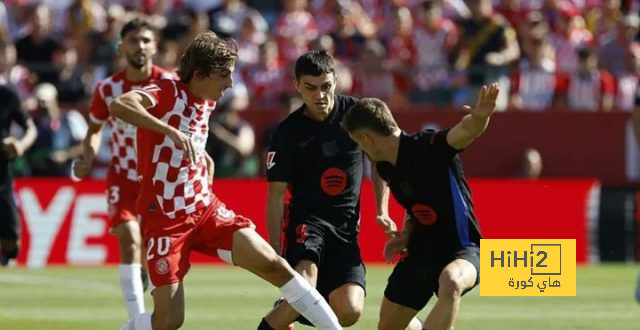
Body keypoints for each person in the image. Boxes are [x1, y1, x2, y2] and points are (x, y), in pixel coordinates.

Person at [112, 31, 341, 330]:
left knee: (276, 265)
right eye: (224, 76)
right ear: (201, 74)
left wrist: (202, 156)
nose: (230, 84)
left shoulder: (207, 99)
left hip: (206, 210)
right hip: (165, 219)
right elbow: (120, 105)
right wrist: (169, 131)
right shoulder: (168, 91)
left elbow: (191, 132)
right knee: (168, 322)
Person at [341, 83, 500, 330]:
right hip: (420, 252)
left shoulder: (428, 147)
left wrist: (481, 117)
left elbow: (466, 131)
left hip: (463, 249)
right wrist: (399, 228)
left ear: (366, 139)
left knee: (451, 282)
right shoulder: (385, 163)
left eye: (359, 144)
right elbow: (383, 174)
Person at [261, 50, 395, 330]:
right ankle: (291, 307)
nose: (320, 95)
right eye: (310, 88)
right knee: (306, 285)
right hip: (306, 224)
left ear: (336, 80)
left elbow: (380, 161)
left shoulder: (357, 115)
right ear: (297, 85)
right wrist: (274, 248)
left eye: (326, 86)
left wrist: (382, 210)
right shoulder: (287, 132)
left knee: (349, 312)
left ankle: (289, 310)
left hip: (346, 230)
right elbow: (275, 194)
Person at [72, 18, 175, 320]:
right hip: (123, 177)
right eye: (133, 40)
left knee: (152, 250)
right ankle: (137, 320)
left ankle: (144, 275)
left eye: (145, 40)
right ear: (121, 47)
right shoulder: (108, 88)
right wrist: (88, 157)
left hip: (157, 179)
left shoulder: (168, 83)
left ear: (155, 46)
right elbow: (94, 129)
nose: (140, 46)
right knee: (129, 240)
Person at [0, 85, 37, 265]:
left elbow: (30, 128)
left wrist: (20, 145)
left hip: (2, 174)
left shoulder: (8, 96)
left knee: (12, 244)